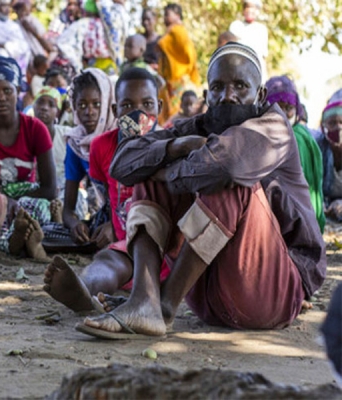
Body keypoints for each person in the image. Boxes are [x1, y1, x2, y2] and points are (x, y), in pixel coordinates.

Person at [76, 43, 325, 339]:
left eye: (240, 86)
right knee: (152, 172)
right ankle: (145, 302)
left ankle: (165, 305)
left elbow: (227, 167)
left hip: (272, 292)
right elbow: (122, 165)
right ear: (207, 96)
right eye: (218, 87)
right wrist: (174, 147)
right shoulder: (199, 125)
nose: (227, 96)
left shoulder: (274, 128)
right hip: (208, 297)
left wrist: (169, 170)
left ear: (260, 96)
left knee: (227, 178)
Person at [43, 67, 163, 312]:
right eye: (127, 105)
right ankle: (83, 290)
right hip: (126, 248)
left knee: (118, 256)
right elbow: (111, 201)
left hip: (164, 248)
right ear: (115, 110)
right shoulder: (101, 147)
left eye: (147, 104)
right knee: (107, 261)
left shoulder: (168, 146)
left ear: (159, 106)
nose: (139, 114)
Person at [0, 56, 57, 260]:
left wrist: (19, 202)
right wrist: (6, 202)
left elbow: (50, 188)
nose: (1, 98)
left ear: (18, 92)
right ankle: (16, 240)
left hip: (28, 196)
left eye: (7, 90)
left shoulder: (36, 129)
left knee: (37, 208)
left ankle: (16, 237)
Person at [60, 68, 116, 245]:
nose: (89, 111)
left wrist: (115, 227)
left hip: (136, 215)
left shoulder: (121, 138)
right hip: (108, 215)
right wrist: (74, 223)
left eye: (96, 104)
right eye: (82, 105)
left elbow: (138, 199)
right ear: (74, 107)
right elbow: (68, 209)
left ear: (107, 103)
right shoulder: (77, 143)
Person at [265, 76, 325, 232]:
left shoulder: (298, 138)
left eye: (288, 108)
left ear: (296, 108)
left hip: (297, 222)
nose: (283, 114)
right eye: (277, 106)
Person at [156, 3, 200, 126]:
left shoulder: (177, 31)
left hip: (177, 78)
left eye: (167, 15)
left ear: (177, 15)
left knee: (176, 112)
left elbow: (188, 54)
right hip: (169, 79)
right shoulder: (173, 31)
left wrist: (182, 68)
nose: (164, 18)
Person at [57, 0, 126, 76]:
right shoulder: (118, 19)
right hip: (110, 68)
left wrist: (78, 66)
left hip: (95, 69)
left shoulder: (85, 24)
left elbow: (62, 43)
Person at [33, 86, 70, 203]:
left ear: (57, 113)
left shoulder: (66, 135)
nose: (44, 108)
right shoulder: (24, 135)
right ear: (33, 107)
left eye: (51, 105)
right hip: (36, 194)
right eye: (40, 103)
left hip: (65, 194)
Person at [313, 93, 342, 222]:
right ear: (323, 126)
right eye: (332, 123)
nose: (339, 127)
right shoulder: (317, 146)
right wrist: (320, 204)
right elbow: (311, 185)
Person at [229, 0, 268, 80]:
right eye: (247, 7)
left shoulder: (262, 29)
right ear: (243, 10)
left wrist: (264, 79)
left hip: (255, 73)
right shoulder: (236, 26)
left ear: (257, 11)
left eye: (253, 8)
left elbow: (263, 57)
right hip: (237, 71)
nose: (250, 10)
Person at [0, 0, 29, 75]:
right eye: (4, 6)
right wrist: (4, 45)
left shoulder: (14, 26)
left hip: (15, 66)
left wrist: (7, 45)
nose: (7, 9)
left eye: (8, 6)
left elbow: (23, 46)